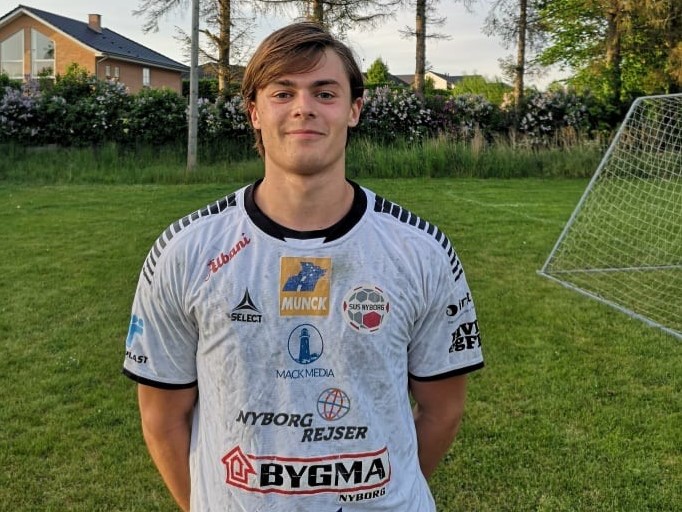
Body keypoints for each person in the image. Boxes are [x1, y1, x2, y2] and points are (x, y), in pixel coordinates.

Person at [123, 21, 483, 511]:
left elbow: (443, 410)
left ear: (354, 110)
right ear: (254, 111)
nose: (303, 107)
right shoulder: (186, 252)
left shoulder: (420, 251)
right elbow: (162, 418)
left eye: (325, 93)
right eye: (283, 92)